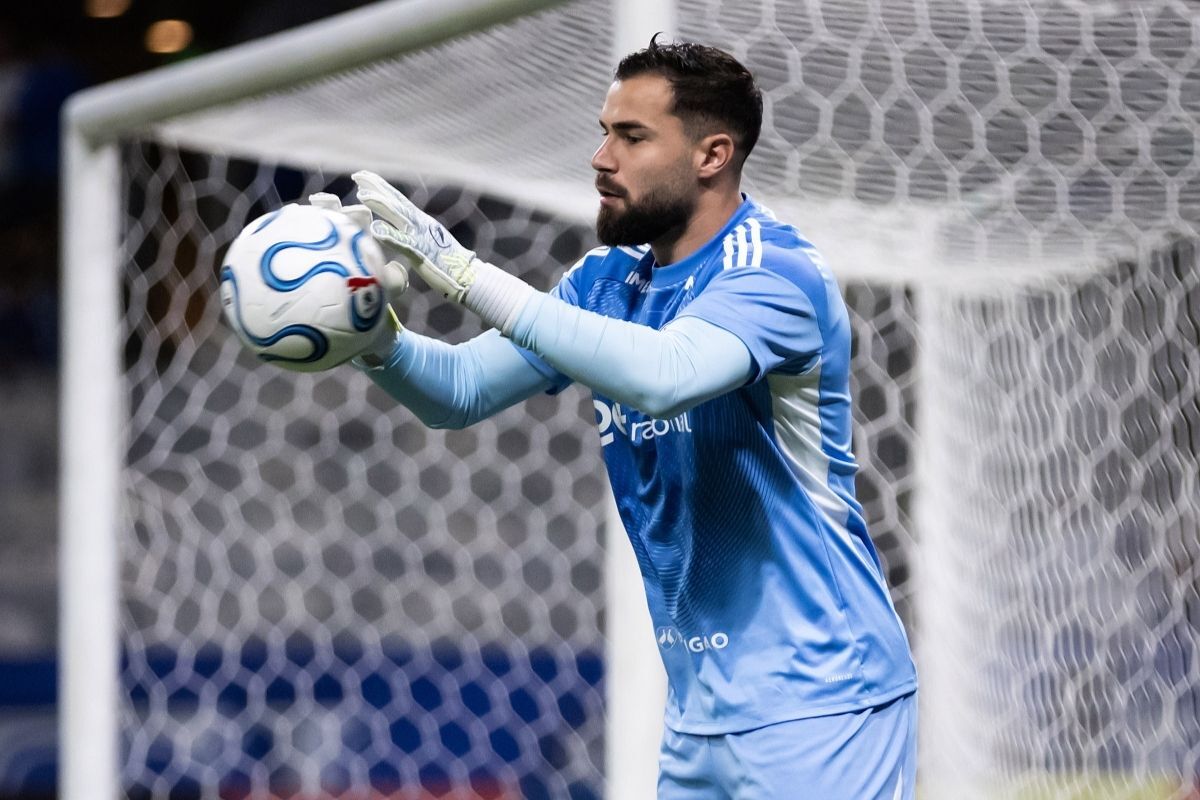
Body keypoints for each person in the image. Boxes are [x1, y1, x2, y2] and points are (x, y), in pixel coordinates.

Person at [333, 36, 918, 799]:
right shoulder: (607, 279)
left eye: (631, 136)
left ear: (712, 154)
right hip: (700, 716)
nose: (600, 157)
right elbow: (461, 391)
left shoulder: (774, 274)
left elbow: (662, 377)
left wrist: (466, 274)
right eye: (605, 130)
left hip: (821, 706)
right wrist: (371, 334)